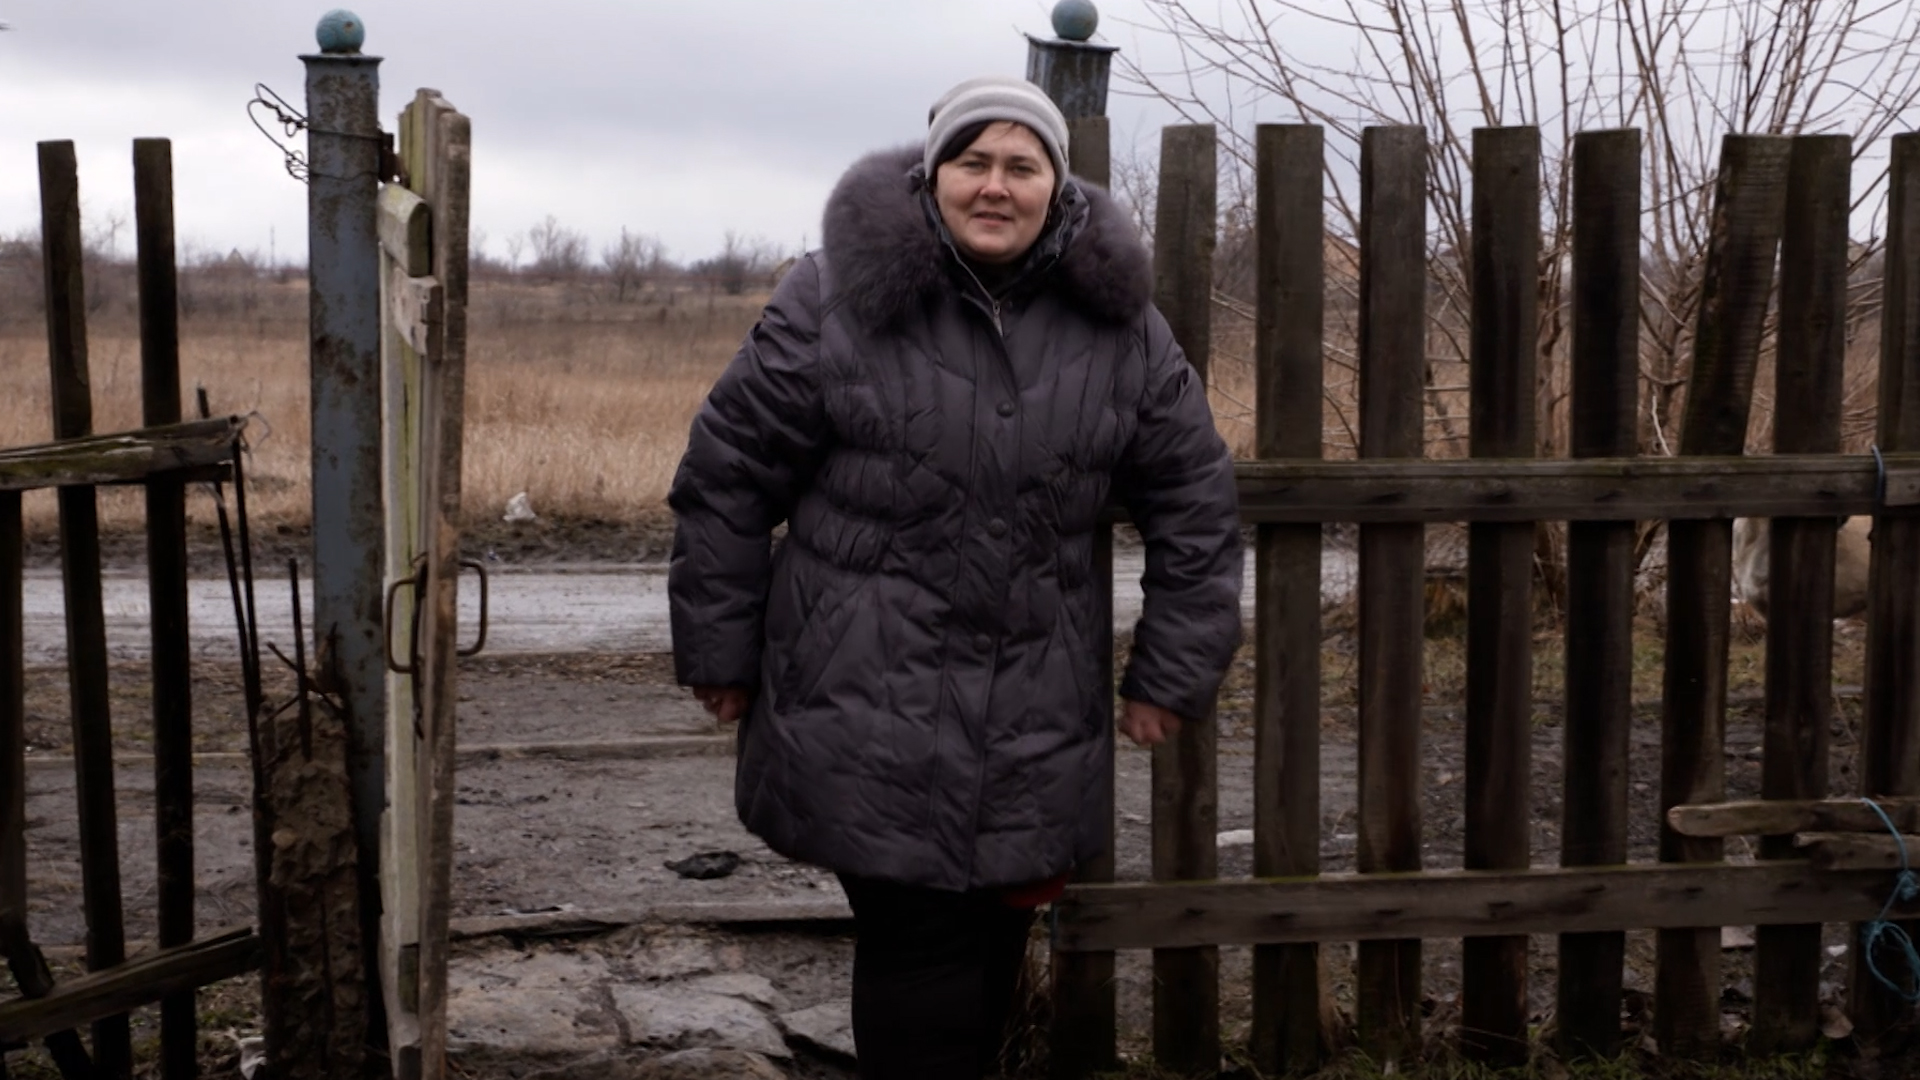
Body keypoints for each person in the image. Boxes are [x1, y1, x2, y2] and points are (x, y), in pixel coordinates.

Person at [667, 74, 1243, 1079]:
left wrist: (1170, 672)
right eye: (973, 161)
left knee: (989, 939)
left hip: (1033, 707)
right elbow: (728, 476)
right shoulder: (833, 299)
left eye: (1022, 165)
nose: (995, 185)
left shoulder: (1122, 328)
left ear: (1057, 186)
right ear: (932, 175)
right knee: (921, 944)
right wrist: (720, 651)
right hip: (863, 694)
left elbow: (1195, 502)